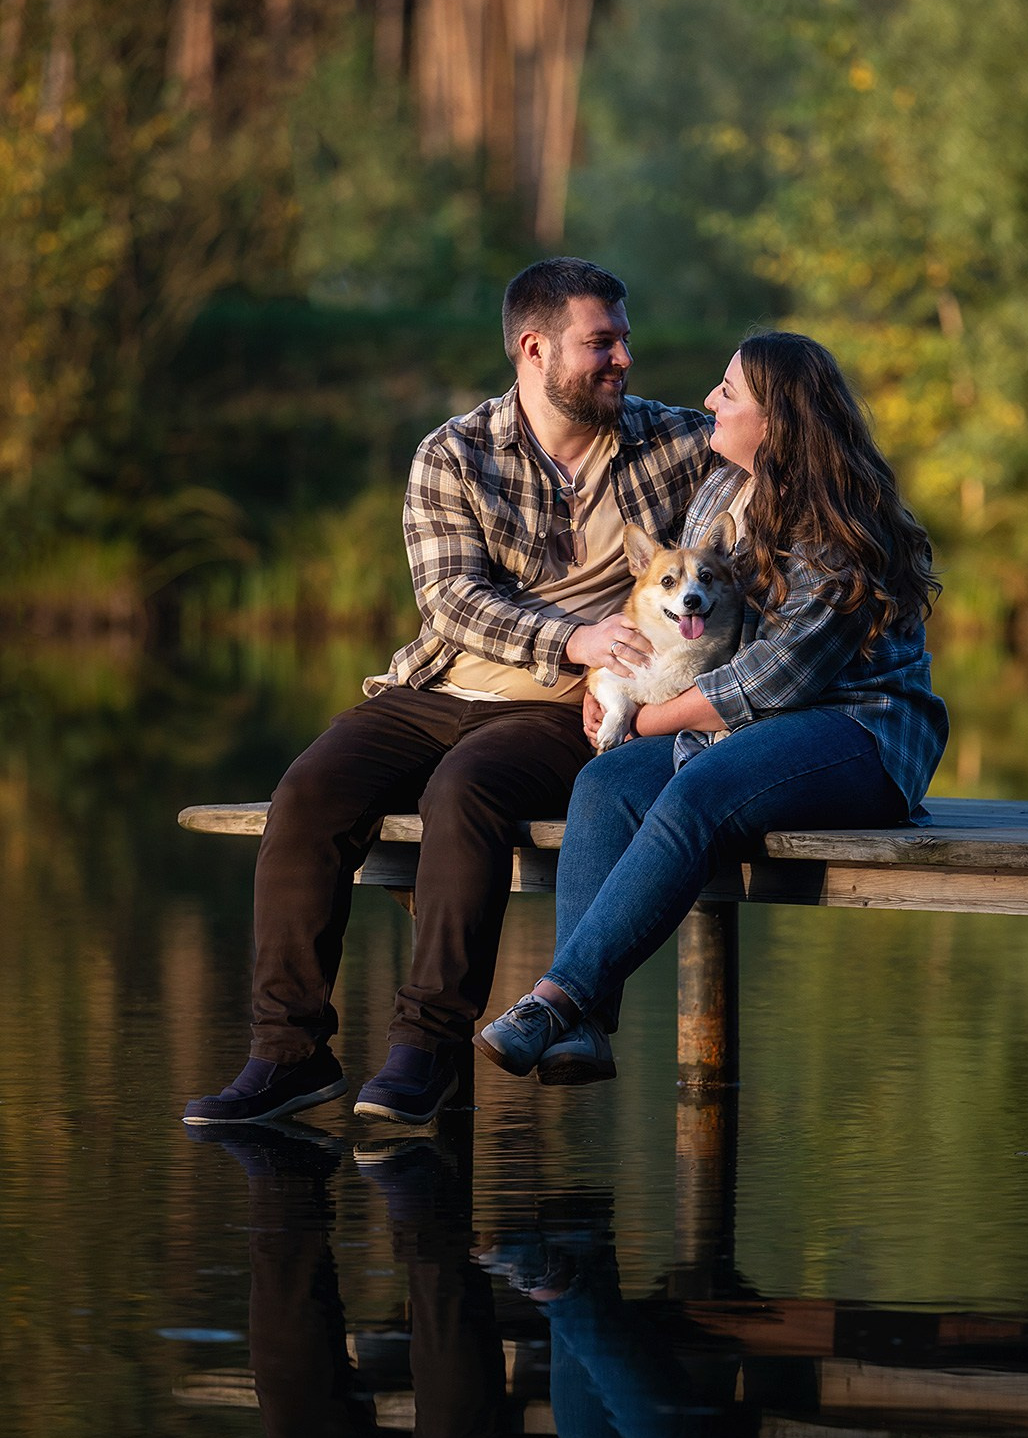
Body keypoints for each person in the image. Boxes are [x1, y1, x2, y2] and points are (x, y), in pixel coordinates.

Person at [183, 258, 713, 1129]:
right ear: (534, 349)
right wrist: (571, 634)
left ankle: (426, 1053)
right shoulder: (454, 454)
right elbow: (451, 599)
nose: (624, 358)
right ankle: (288, 1055)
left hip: (563, 707)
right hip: (437, 684)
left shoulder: (676, 444)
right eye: (601, 343)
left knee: (465, 792)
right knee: (309, 792)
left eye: (624, 339)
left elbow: (781, 458)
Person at [474, 331, 949, 1083]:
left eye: (728, 392)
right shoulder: (724, 493)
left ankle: (553, 1000)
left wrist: (645, 719)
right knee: (604, 782)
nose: (709, 402)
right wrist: (615, 690)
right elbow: (681, 632)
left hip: (859, 732)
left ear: (777, 419)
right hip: (742, 737)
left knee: (694, 794)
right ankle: (583, 1026)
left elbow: (774, 680)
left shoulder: (841, 528)